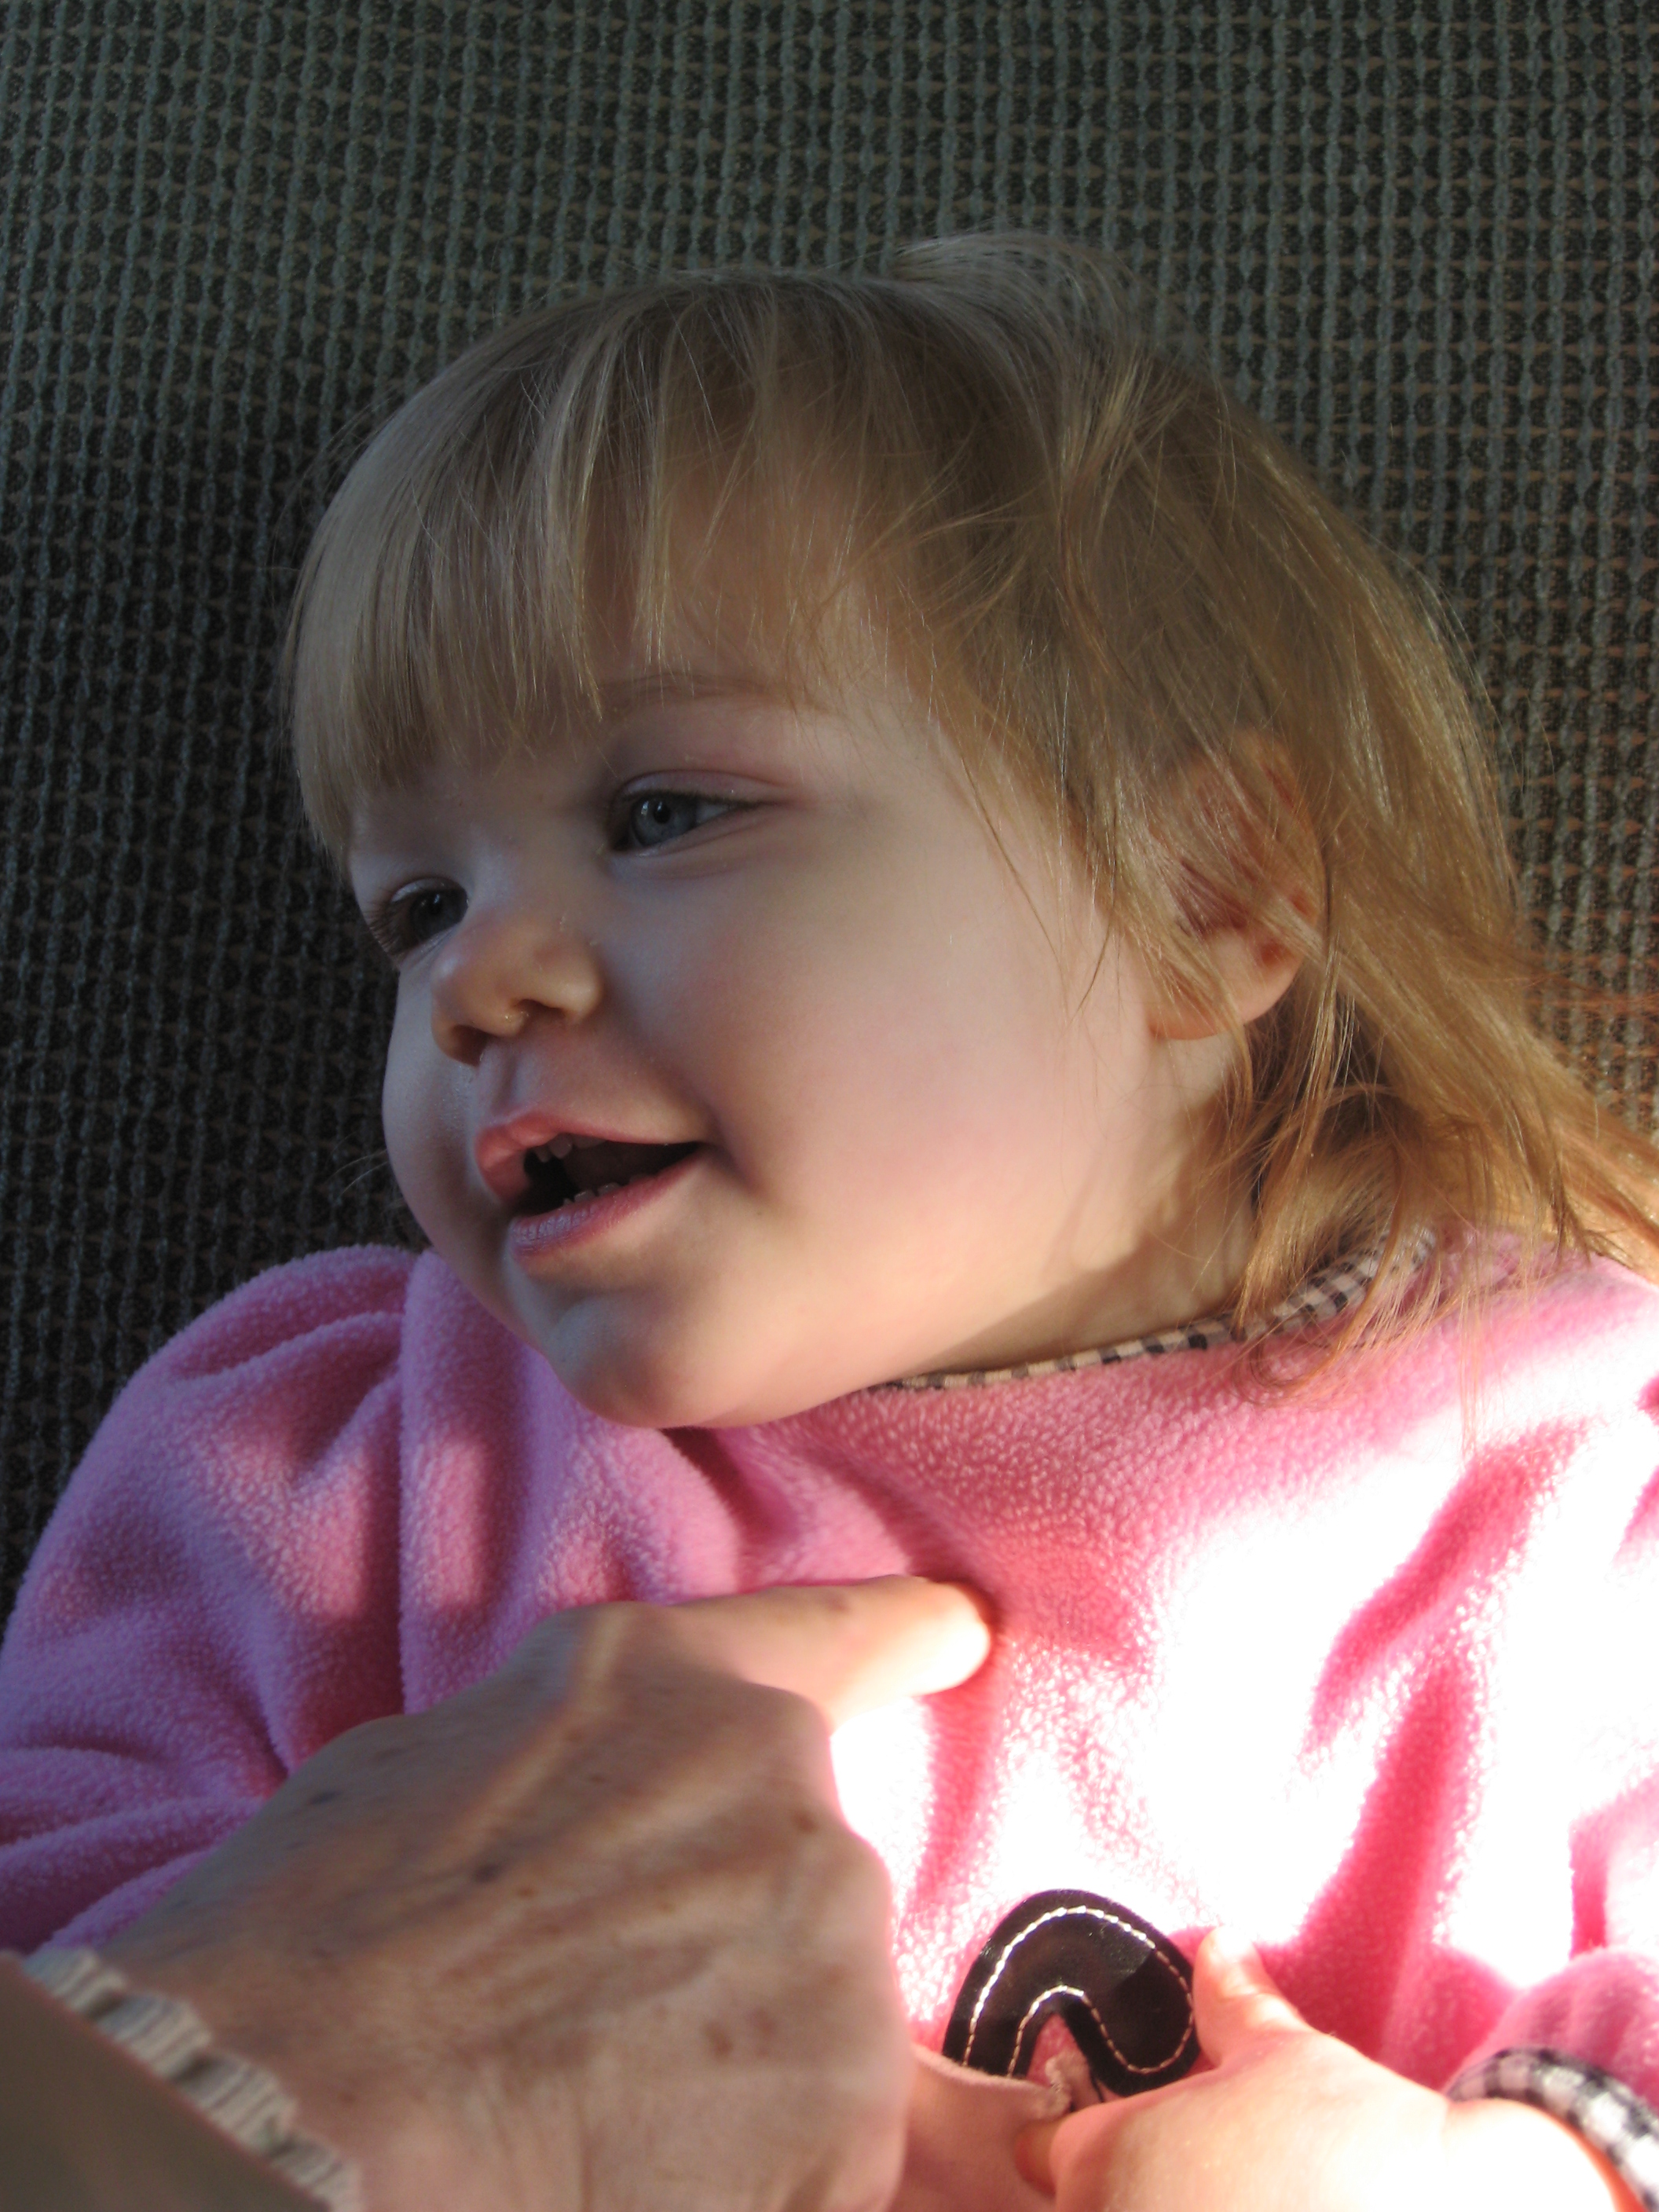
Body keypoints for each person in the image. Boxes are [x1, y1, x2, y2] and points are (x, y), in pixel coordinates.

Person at [0, 231, 1656, 2212]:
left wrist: (1516, 2167)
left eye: (666, 813)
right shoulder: (325, 1467)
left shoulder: (1553, 1466)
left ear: (1203, 894)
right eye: (417, 905)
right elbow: (58, 1925)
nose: (475, 985)